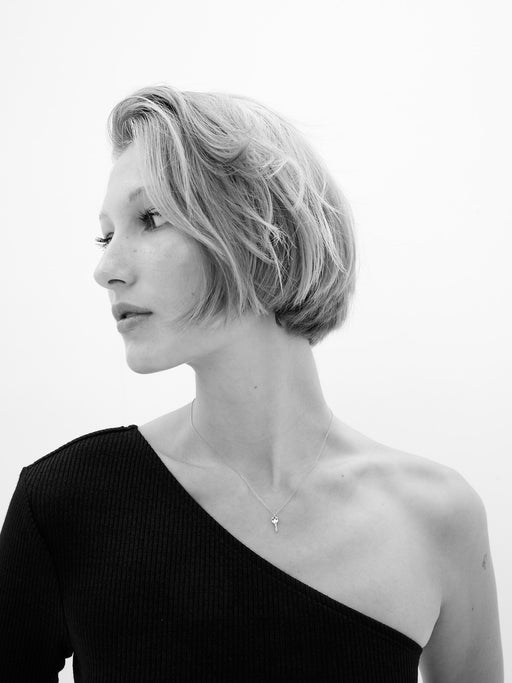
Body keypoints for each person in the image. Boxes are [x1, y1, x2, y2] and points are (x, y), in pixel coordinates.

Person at [0, 84, 503, 682]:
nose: (105, 269)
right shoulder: (66, 502)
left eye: (150, 219)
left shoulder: (437, 517)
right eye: (106, 235)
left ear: (262, 229)